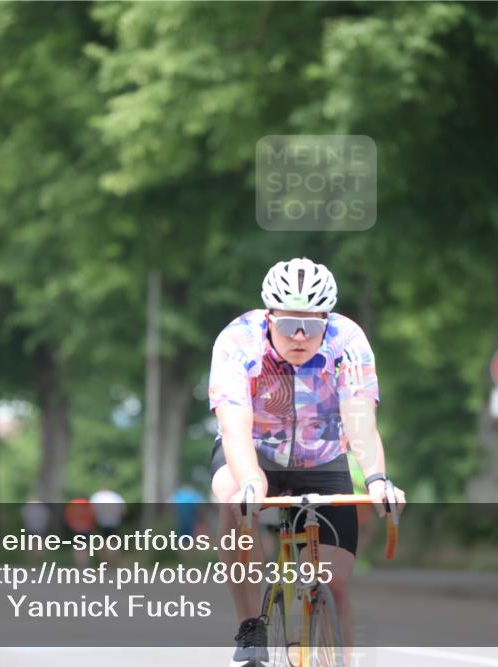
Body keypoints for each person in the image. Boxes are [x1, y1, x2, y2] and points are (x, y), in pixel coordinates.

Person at [208, 257, 406, 667]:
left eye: (312, 326)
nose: (300, 335)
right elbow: (234, 425)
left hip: (323, 457)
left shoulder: (348, 341)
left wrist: (376, 480)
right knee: (230, 490)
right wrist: (251, 482)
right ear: (269, 317)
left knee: (336, 585)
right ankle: (250, 626)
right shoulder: (238, 341)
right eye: (288, 325)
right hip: (256, 452)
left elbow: (361, 422)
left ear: (326, 321)